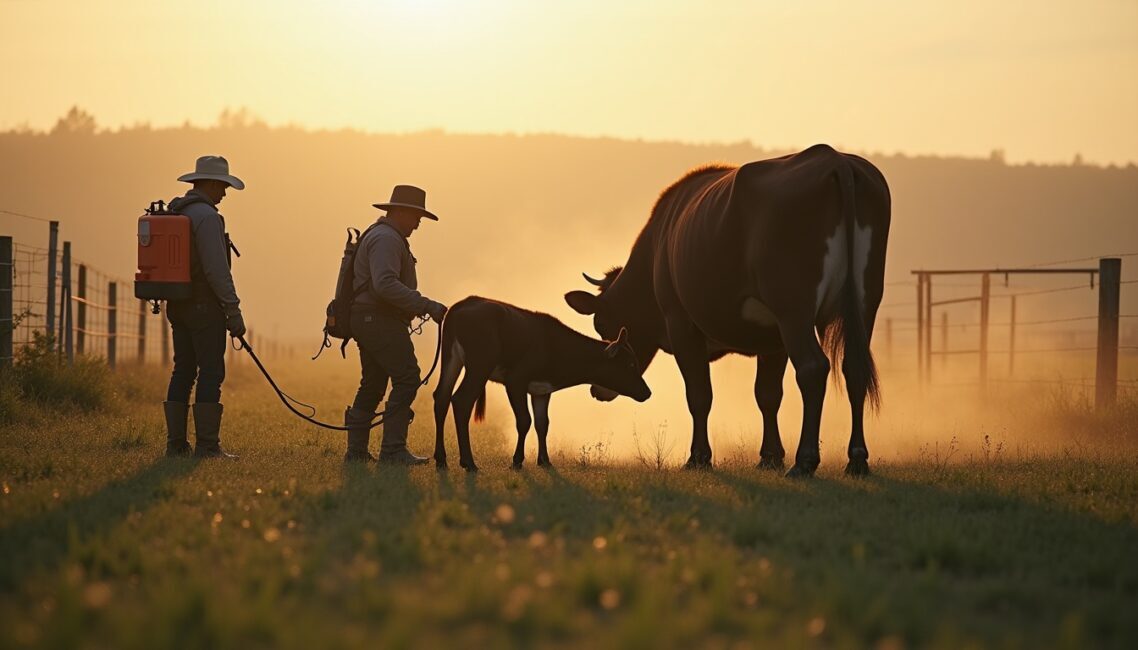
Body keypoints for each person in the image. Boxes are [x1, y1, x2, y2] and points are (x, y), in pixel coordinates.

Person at [344, 185, 448, 464]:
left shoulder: (383, 235)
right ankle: (392, 450)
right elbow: (385, 284)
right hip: (379, 319)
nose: (417, 224)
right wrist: (426, 305)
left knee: (373, 384)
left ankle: (356, 453)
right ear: (400, 211)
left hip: (369, 318)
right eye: (416, 217)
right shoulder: (387, 239)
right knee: (407, 377)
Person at [162, 155, 247, 458]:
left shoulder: (179, 211)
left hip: (178, 303)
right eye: (222, 186)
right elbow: (216, 270)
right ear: (210, 184)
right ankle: (208, 446)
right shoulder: (207, 217)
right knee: (211, 371)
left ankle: (176, 445)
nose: (224, 193)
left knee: (183, 370)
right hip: (204, 307)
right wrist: (233, 311)